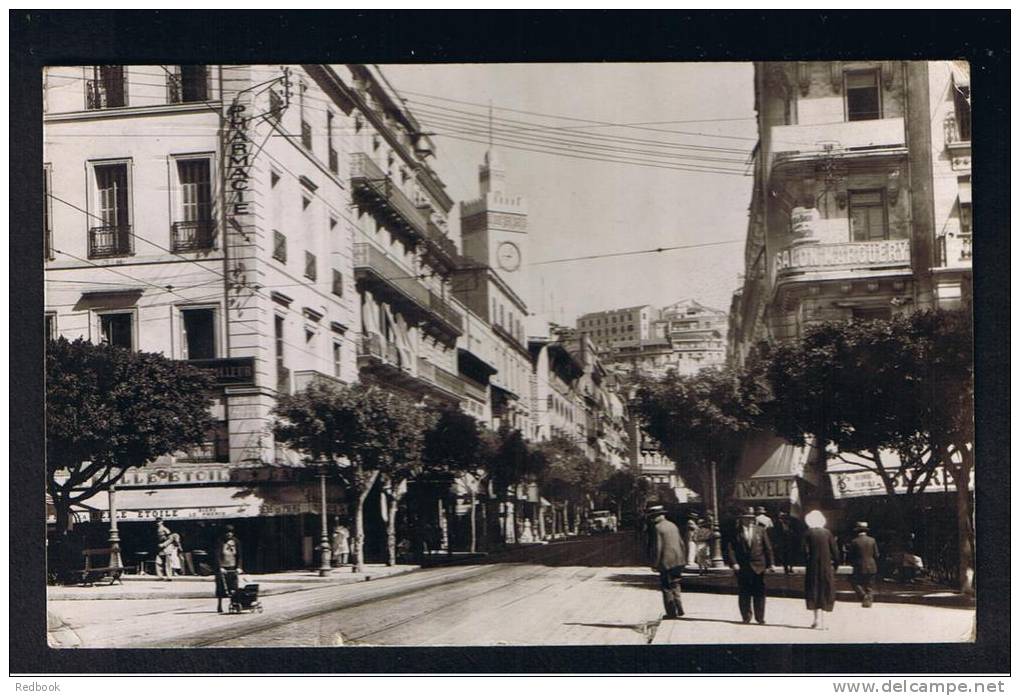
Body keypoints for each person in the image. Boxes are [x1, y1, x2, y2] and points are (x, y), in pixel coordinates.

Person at [726, 506, 776, 625]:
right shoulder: (735, 532)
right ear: (742, 519)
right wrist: (734, 563)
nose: (749, 520)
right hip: (743, 567)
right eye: (747, 518)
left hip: (759, 566)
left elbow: (768, 548)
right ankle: (746, 617)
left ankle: (760, 618)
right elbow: (730, 549)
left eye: (751, 518)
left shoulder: (761, 530)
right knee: (744, 593)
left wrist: (771, 564)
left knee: (759, 593)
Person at [646, 505, 686, 620]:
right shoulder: (673, 525)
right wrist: (683, 558)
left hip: (666, 562)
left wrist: (655, 563)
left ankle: (671, 612)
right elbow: (681, 543)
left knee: (667, 587)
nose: (652, 519)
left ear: (658, 516)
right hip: (678, 560)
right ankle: (680, 607)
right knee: (676, 584)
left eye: (653, 516)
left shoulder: (658, 528)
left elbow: (657, 547)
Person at [803, 510, 840, 630]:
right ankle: (825, 622)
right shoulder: (827, 533)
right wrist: (836, 565)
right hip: (826, 568)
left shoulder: (808, 533)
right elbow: (835, 551)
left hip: (812, 567)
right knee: (825, 590)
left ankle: (816, 620)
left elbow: (804, 551)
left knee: (813, 590)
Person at [847, 521, 880, 608]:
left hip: (859, 565)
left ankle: (863, 595)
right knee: (870, 584)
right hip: (872, 565)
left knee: (855, 582)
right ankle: (868, 599)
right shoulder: (872, 540)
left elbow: (850, 555)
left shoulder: (854, 541)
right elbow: (876, 554)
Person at [215, 525, 243, 614]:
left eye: (230, 532)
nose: (229, 534)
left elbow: (239, 556)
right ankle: (219, 604)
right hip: (223, 567)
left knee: (234, 586)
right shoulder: (220, 542)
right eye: (227, 532)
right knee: (221, 587)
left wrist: (239, 567)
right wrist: (220, 567)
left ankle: (234, 603)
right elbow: (217, 555)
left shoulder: (236, 542)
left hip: (233, 566)